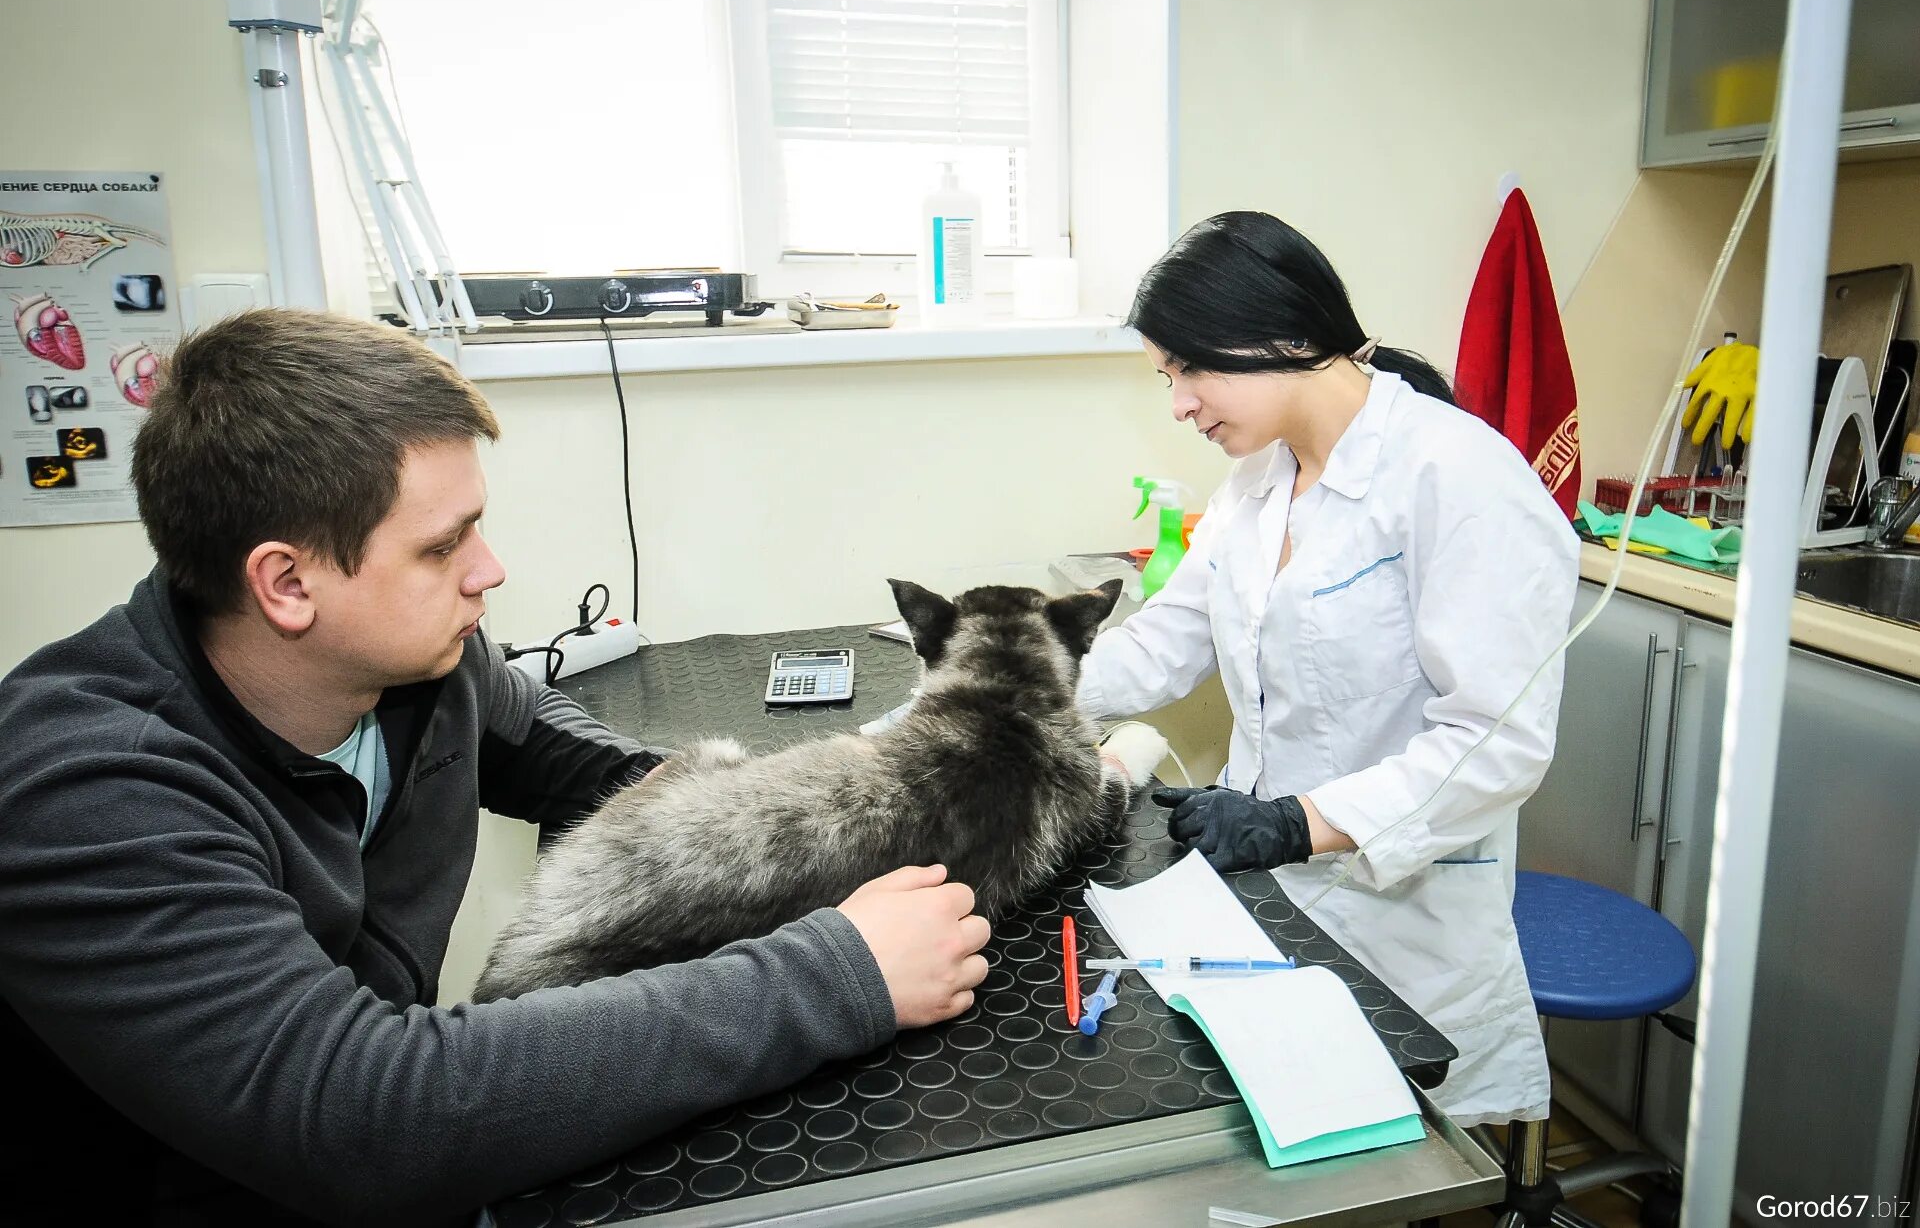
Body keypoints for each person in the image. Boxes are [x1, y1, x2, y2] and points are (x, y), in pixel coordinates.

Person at [0, 309, 990, 1227]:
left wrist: (771, 821)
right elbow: (364, 1112)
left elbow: (565, 757)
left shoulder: (419, 668)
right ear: (287, 583)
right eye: (441, 548)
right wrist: (837, 973)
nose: (489, 570)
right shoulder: (90, 797)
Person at [1079, 211, 1578, 1128]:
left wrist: (1293, 825)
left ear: (1278, 333)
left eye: (1188, 368)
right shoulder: (1260, 483)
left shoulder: (1459, 477)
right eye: (1166, 376)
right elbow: (1163, 641)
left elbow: (1496, 746)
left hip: (1400, 915)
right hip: (1269, 900)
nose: (1179, 404)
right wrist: (992, 695)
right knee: (1295, 1134)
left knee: (1394, 1159)